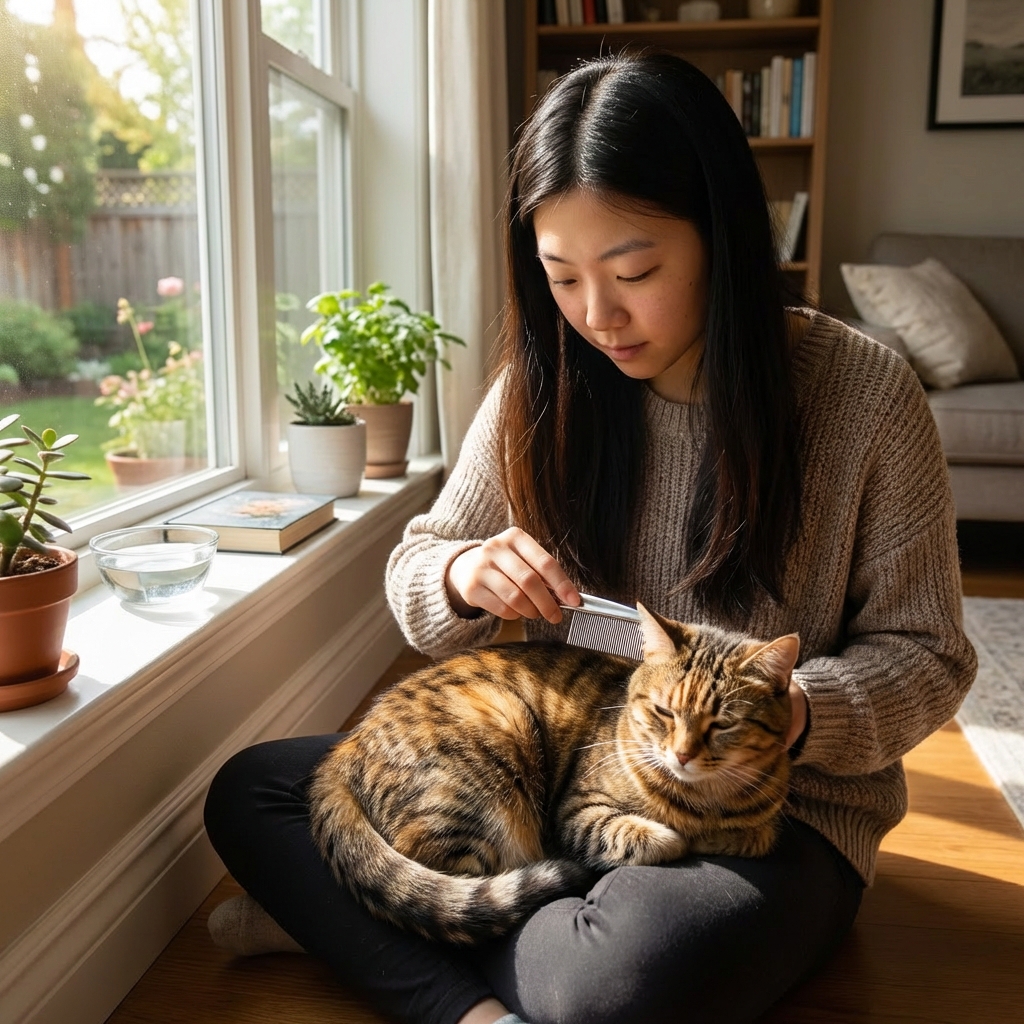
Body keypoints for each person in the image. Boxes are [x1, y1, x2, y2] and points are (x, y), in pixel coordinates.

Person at [204, 52, 976, 1024]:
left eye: (635, 271)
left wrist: (793, 715)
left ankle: (368, 921)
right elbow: (416, 566)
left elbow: (930, 657)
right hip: (566, 777)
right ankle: (473, 995)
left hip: (768, 811)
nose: (596, 315)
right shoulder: (548, 379)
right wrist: (461, 572)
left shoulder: (862, 393)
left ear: (722, 238)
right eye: (560, 276)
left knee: (616, 983)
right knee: (255, 789)